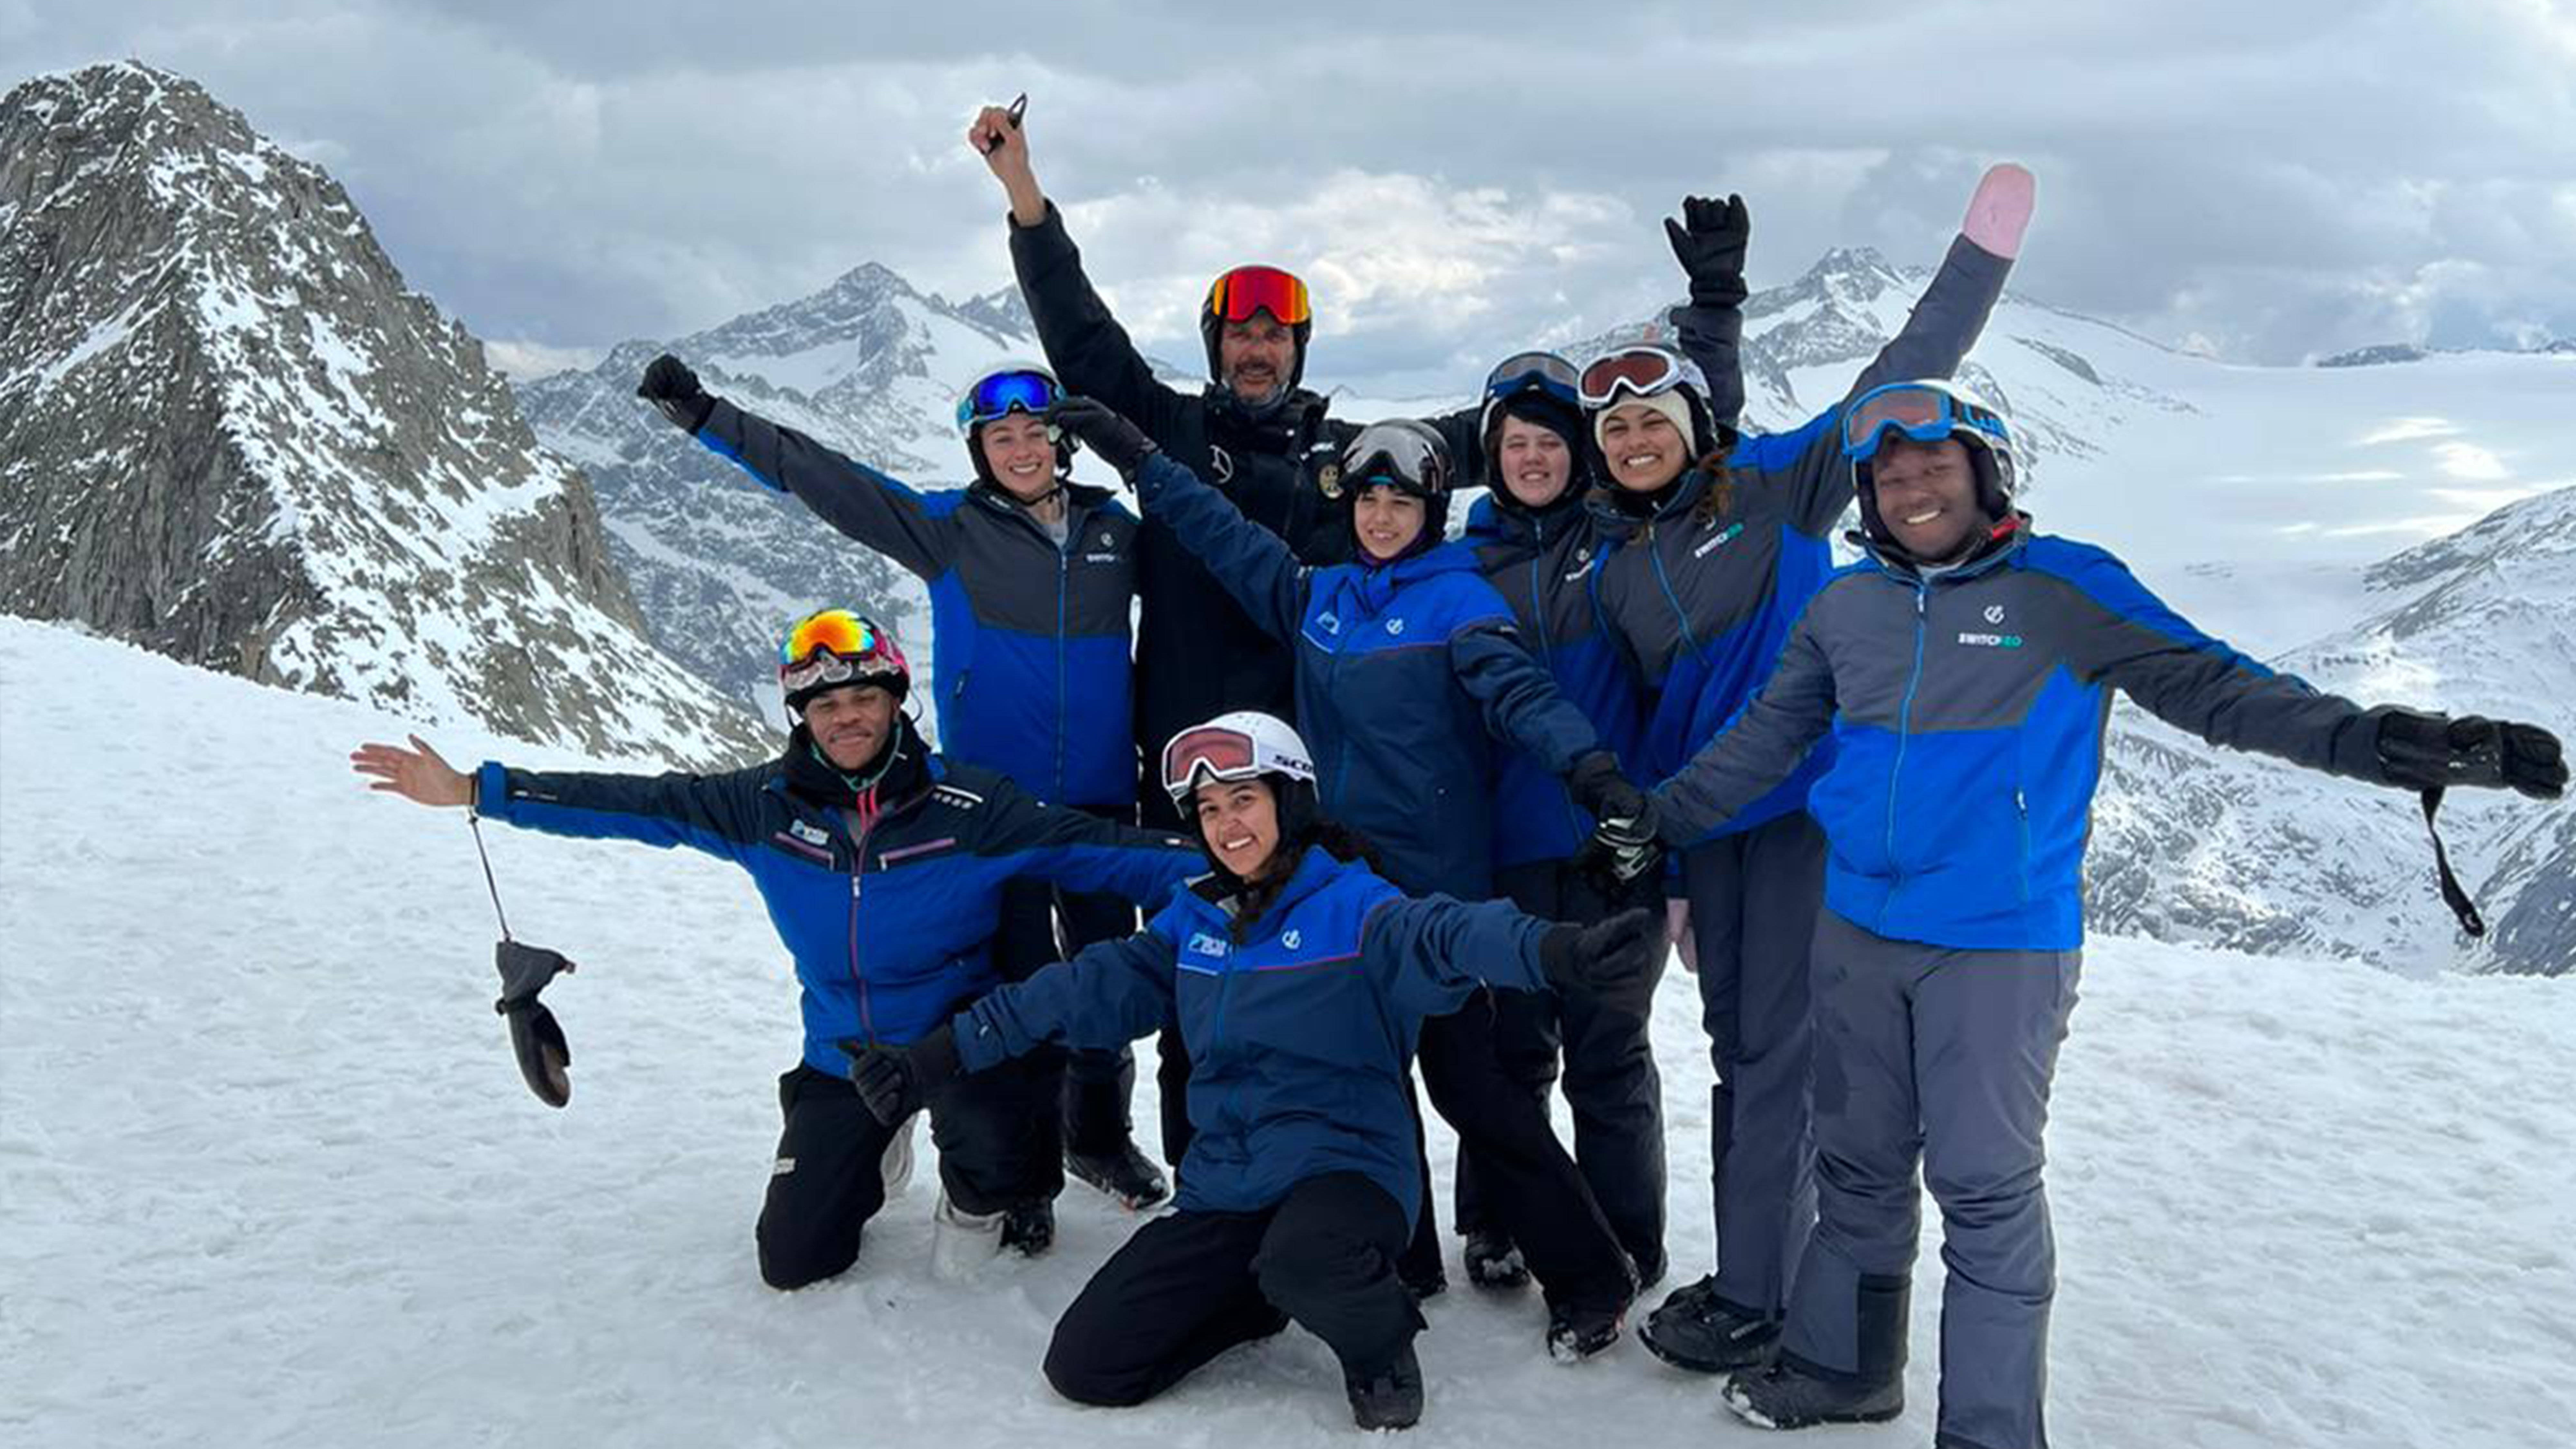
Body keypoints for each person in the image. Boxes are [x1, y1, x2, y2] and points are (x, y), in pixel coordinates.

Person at [1621, 381, 2567, 1449]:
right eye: (1889, 476)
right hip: (1856, 932)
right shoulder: (1845, 607)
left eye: (1934, 467)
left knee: (1984, 1188)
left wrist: (2392, 744)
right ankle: (1846, 1369)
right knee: (1857, 1162)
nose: (1911, 487)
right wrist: (1655, 822)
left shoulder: (2064, 589)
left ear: (1988, 474)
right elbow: (1764, 740)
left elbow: (2218, 689)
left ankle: (1989, 1429)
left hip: (1997, 941)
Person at [843, 712, 1665, 1431]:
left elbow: (1448, 935)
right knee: (1088, 1367)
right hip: (1230, 1183)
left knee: (1311, 1256)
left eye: (1244, 800)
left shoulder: (1358, 908)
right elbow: (1074, 990)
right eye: (1208, 809)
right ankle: (1259, 1294)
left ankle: (1379, 1346)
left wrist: (1559, 951)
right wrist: (937, 1060)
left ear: (1290, 803)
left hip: (1347, 1170)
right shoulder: (1191, 925)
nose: (1226, 824)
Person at [347, 610, 1204, 1288]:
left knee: (992, 1139)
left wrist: (1251, 866)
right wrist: (478, 790)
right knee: (794, 1260)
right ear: (803, 716)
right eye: (827, 704)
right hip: (842, 1050)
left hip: (958, 1042)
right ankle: (879, 1141)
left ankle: (980, 1197)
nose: (848, 717)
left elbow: (1109, 851)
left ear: (897, 700)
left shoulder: (973, 808)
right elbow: (638, 803)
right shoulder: (762, 805)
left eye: (866, 697)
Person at [1050, 397, 1653, 1356]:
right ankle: (1405, 1257)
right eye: (1368, 498)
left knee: (1475, 1090)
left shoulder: (1460, 603)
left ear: (1430, 509)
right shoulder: (1320, 598)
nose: (1380, 516)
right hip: (1329, 895)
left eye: (1400, 500)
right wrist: (1140, 457)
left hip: (1426, 901)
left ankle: (1590, 1272)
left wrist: (1592, 771)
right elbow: (1222, 534)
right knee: (1372, 1080)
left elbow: (1520, 695)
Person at [1584, 165, 2031, 1374]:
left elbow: (1899, 374)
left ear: (1693, 430)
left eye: (1653, 421)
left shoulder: (1777, 489)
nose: (1632, 439)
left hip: (1800, 826)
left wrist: (1979, 260)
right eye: (1613, 428)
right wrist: (1669, 859)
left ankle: (1760, 1294)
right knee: (1744, 1055)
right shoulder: (1615, 566)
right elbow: (1642, 717)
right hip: (1713, 836)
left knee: (1776, 1061)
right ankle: (1762, 1274)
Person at [635, 354, 1170, 1211]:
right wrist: (707, 417)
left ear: (1063, 443)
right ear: (980, 450)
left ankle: (1099, 1140)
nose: (1023, 448)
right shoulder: (948, 531)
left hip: (1102, 799)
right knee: (1018, 994)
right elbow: (825, 479)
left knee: (1109, 981)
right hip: (994, 812)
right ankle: (1020, 1180)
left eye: (1037, 431)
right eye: (1003, 436)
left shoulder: (1120, 534)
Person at [1450, 347, 1673, 1293]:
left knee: (1610, 1052)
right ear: (1491, 454)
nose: (1532, 457)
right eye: (1514, 442)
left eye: (1549, 441)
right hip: (1503, 846)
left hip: (1608, 846)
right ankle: (1498, 1219)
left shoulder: (1624, 547)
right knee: (1512, 1051)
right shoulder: (1459, 566)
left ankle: (1629, 1233)